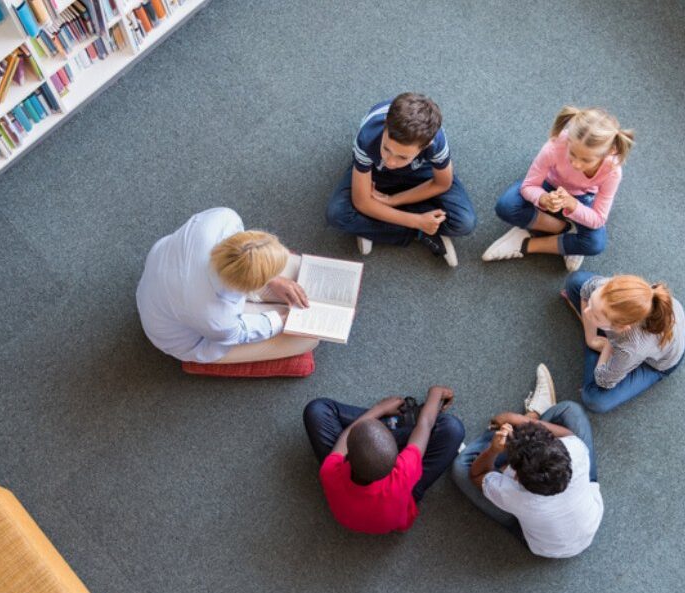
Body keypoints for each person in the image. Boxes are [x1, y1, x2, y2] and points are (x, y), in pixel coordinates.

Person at [451, 364, 603, 558]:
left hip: (543, 546)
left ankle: (518, 426)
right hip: (588, 525)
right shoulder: (575, 451)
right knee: (569, 411)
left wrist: (493, 450)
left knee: (461, 468)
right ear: (560, 449)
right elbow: (568, 435)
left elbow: (476, 474)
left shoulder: (514, 495)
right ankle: (527, 420)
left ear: (516, 477)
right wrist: (515, 419)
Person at [135, 207, 319, 363]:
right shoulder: (216, 319)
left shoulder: (223, 219)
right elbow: (240, 332)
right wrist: (281, 321)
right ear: (249, 285)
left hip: (167, 278)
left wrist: (274, 279)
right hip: (188, 334)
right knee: (307, 341)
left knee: (297, 273)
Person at [325, 92, 476, 267]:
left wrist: (391, 201)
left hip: (421, 170)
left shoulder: (436, 141)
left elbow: (443, 183)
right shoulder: (367, 137)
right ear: (385, 128)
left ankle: (374, 224)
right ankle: (421, 233)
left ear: (426, 146)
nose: (390, 161)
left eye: (402, 157)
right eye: (387, 149)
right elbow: (361, 202)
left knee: (464, 222)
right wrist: (418, 222)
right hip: (376, 172)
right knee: (336, 214)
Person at [482, 106, 634, 272]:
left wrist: (572, 205)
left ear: (609, 152)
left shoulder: (612, 171)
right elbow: (529, 185)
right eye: (573, 154)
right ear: (568, 139)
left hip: (583, 197)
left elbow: (598, 219)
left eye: (586, 160)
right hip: (549, 184)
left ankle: (526, 244)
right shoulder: (555, 146)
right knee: (506, 206)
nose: (576, 164)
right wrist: (543, 198)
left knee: (595, 244)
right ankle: (565, 230)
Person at [302, 386, 466, 534]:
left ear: (347, 456)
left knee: (317, 409)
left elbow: (347, 436)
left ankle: (387, 425)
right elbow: (425, 424)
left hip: (354, 505)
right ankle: (395, 426)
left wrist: (379, 408)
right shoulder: (403, 472)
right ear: (396, 460)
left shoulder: (330, 471)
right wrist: (436, 393)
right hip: (403, 494)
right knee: (452, 428)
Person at [561, 271, 685, 413]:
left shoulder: (630, 348)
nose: (587, 312)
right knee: (575, 281)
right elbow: (585, 291)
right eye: (591, 304)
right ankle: (602, 335)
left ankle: (606, 345)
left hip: (658, 363)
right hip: (634, 339)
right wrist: (591, 339)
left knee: (594, 399)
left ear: (621, 328)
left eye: (595, 316)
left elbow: (603, 380)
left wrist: (609, 345)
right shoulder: (603, 286)